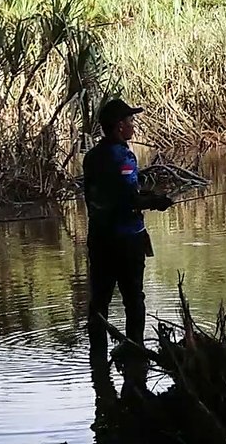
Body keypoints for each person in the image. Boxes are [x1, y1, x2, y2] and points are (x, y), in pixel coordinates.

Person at [83, 98, 173, 356]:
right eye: (130, 121)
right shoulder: (123, 156)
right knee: (134, 298)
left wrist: (145, 194)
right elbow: (127, 199)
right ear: (119, 126)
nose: (133, 126)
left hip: (98, 239)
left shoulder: (92, 157)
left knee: (99, 301)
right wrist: (156, 201)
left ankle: (96, 359)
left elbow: (109, 193)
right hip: (125, 240)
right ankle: (135, 352)